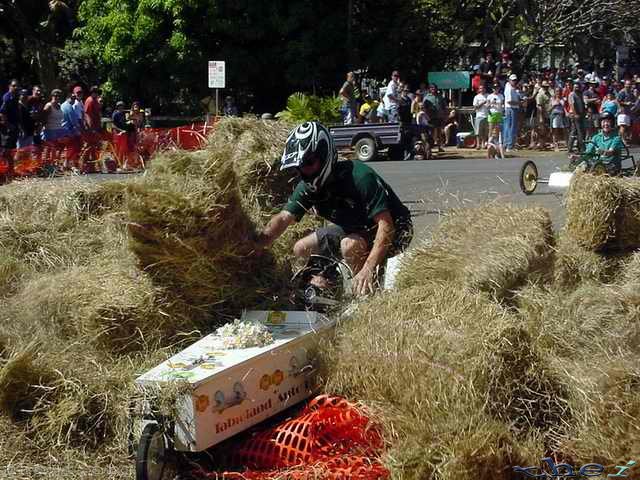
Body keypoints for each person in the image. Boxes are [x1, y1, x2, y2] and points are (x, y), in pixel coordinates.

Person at [254, 121, 413, 296]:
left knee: (349, 245)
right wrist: (256, 246)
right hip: (355, 226)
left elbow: (387, 226)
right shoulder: (308, 186)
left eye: (308, 162)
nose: (303, 170)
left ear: (324, 156)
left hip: (396, 230)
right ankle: (329, 290)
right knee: (301, 248)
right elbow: (283, 218)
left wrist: (368, 268)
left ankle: (365, 295)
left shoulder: (360, 177)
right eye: (299, 166)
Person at [422, 84, 446, 152]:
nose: (433, 89)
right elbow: (423, 108)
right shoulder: (426, 97)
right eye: (432, 88)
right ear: (429, 89)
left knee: (439, 133)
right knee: (431, 133)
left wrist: (444, 115)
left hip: (439, 117)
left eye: (434, 88)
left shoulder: (440, 96)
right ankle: (430, 148)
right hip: (431, 118)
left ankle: (440, 147)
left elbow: (444, 106)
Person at [567, 81, 586, 153]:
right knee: (579, 132)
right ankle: (581, 148)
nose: (576, 88)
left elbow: (583, 103)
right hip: (574, 115)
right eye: (575, 87)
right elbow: (572, 105)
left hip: (581, 114)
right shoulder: (572, 94)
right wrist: (575, 114)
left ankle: (574, 147)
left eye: (578, 87)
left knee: (576, 131)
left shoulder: (580, 94)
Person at [504, 74, 521, 152]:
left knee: (509, 127)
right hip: (511, 109)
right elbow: (509, 101)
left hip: (512, 108)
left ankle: (508, 144)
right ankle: (509, 146)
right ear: (509, 80)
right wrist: (520, 103)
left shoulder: (512, 88)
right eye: (513, 80)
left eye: (515, 80)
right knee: (511, 127)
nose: (514, 81)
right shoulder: (509, 89)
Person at [617, 80, 636, 145]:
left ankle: (622, 140)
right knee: (623, 127)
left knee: (627, 128)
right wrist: (626, 103)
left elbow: (634, 101)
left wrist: (632, 104)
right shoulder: (622, 92)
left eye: (630, 84)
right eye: (627, 84)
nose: (629, 86)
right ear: (625, 84)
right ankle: (622, 141)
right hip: (622, 112)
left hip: (629, 112)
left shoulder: (631, 93)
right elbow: (618, 101)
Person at [535, 81, 552, 149]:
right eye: (545, 86)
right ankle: (540, 144)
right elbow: (539, 106)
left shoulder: (549, 94)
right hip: (542, 114)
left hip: (549, 114)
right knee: (542, 130)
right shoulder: (540, 94)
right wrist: (541, 117)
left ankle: (544, 143)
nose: (546, 88)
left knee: (547, 130)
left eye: (547, 86)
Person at [473, 84, 489, 150]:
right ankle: (478, 144)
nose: (482, 89)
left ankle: (483, 144)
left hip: (487, 115)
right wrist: (482, 103)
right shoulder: (477, 97)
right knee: (478, 132)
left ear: (485, 89)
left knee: (485, 132)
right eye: (480, 88)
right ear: (479, 90)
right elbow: (475, 107)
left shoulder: (488, 96)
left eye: (483, 88)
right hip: (479, 116)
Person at [549, 87, 566, 151]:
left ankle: (565, 143)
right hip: (555, 115)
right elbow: (549, 109)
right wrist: (555, 104)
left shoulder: (563, 99)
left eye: (559, 91)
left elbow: (564, 107)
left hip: (561, 116)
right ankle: (556, 145)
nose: (558, 93)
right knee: (555, 131)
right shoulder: (552, 99)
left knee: (563, 130)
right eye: (557, 91)